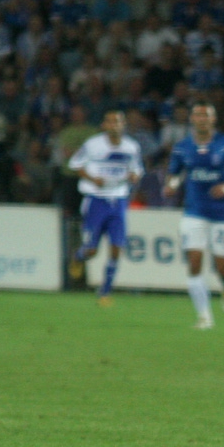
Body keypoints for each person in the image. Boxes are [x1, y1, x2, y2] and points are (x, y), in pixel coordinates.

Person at [163, 103, 224, 330]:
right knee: (195, 262)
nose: (202, 119)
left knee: (221, 267)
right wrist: (170, 185)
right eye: (198, 115)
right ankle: (204, 316)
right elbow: (174, 173)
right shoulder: (182, 148)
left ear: (213, 119)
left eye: (206, 115)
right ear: (191, 119)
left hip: (221, 213)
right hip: (194, 211)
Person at [67, 110, 144, 306]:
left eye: (118, 122)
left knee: (117, 247)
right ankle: (78, 256)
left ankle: (105, 292)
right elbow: (75, 164)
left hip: (118, 200)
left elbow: (137, 169)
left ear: (123, 125)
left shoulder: (131, 147)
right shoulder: (93, 144)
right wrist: (93, 179)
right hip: (96, 200)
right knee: (92, 250)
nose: (114, 125)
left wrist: (135, 176)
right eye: (110, 122)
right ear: (104, 125)